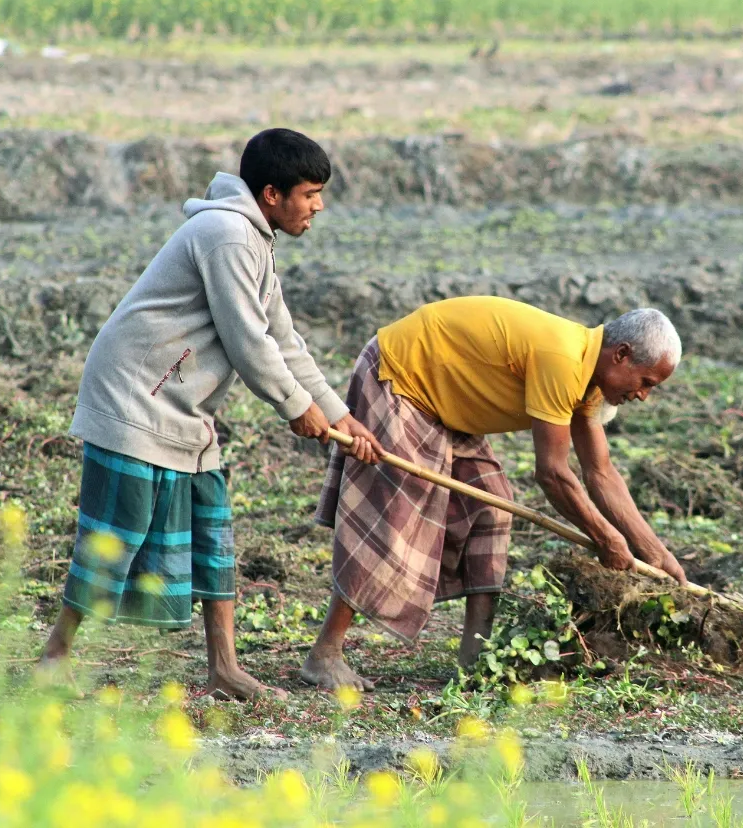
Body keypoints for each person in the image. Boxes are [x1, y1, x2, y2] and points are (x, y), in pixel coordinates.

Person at [39, 128, 381, 700]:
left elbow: (284, 339)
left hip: (184, 403)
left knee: (213, 531)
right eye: (310, 193)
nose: (318, 206)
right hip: (137, 395)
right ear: (271, 194)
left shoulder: (255, 238)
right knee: (115, 533)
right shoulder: (225, 234)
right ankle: (56, 655)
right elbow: (248, 342)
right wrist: (296, 411)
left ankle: (224, 668)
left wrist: (339, 415)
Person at [302, 296, 687, 691]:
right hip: (400, 377)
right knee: (397, 513)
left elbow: (600, 473)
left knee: (490, 507)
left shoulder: (591, 379)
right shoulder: (564, 358)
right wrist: (606, 538)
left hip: (446, 401)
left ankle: (474, 659)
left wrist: (656, 554)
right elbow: (553, 474)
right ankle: (324, 654)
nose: (643, 396)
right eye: (646, 383)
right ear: (620, 354)